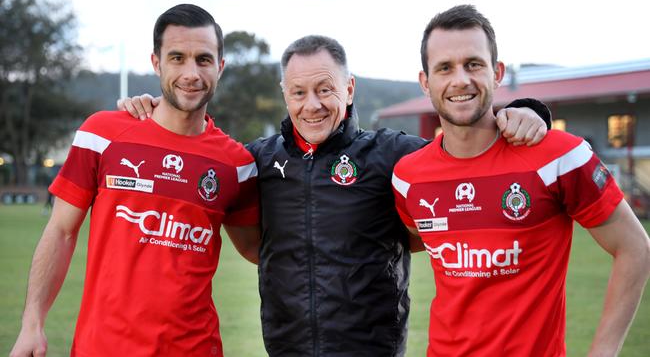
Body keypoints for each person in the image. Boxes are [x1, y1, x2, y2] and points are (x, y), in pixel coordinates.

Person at [120, 34, 551, 356]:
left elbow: (465, 149)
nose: (313, 105)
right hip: (286, 349)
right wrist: (152, 110)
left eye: (325, 89)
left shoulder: (392, 155)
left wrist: (527, 110)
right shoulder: (256, 162)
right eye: (299, 92)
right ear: (284, 95)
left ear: (348, 89)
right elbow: (235, 222)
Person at [392, 4, 650, 356]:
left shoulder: (559, 156)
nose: (460, 79)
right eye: (444, 68)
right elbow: (418, 239)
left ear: (497, 72)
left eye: (473, 64)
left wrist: (603, 352)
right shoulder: (408, 177)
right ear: (426, 82)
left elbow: (635, 248)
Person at [10, 4, 260, 357]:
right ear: (157, 63)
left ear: (220, 67)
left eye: (203, 60)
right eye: (177, 58)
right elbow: (62, 231)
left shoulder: (237, 164)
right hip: (103, 347)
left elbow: (257, 249)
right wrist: (32, 324)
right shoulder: (101, 134)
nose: (191, 73)